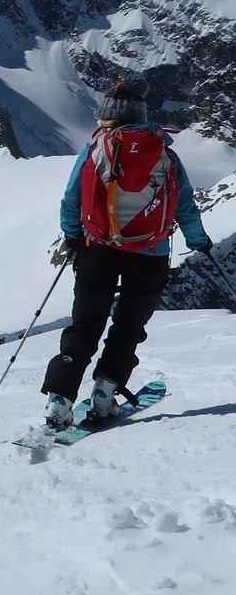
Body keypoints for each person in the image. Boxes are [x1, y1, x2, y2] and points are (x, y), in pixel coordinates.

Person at [43, 81, 213, 428]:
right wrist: (198, 242)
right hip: (150, 253)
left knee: (85, 324)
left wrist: (73, 236)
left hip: (99, 250)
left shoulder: (95, 147)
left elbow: (71, 199)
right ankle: (105, 393)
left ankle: (60, 401)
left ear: (106, 115)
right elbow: (184, 205)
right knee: (128, 326)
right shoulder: (164, 152)